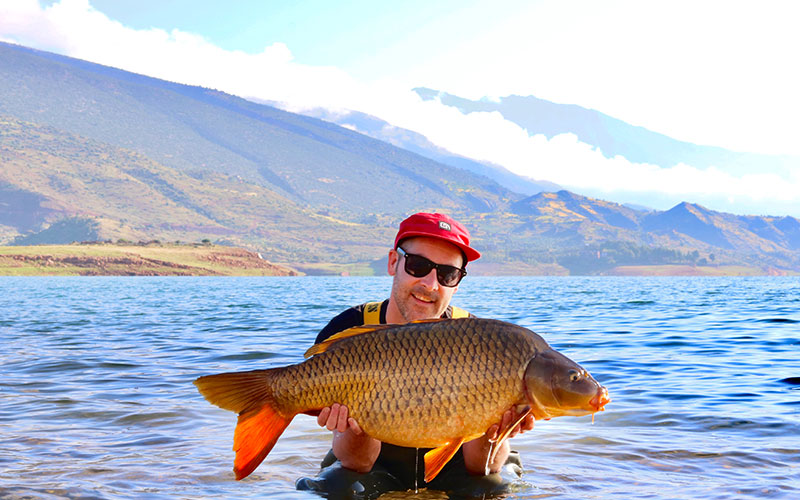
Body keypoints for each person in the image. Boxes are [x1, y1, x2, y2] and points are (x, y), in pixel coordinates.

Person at [296, 212, 535, 499]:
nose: (431, 284)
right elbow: (357, 462)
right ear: (393, 263)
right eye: (418, 266)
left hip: (459, 464)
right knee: (341, 489)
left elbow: (481, 467)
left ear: (457, 283)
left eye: (447, 274)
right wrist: (354, 424)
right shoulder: (348, 332)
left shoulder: (476, 339)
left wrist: (497, 426)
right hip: (374, 463)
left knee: (493, 488)